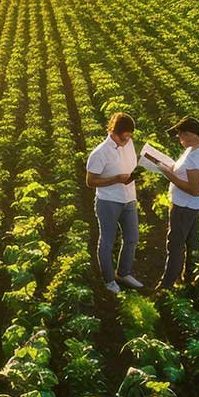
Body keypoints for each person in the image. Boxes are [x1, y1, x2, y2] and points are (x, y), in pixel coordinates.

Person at [86, 112, 143, 293]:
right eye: (122, 138)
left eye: (128, 137)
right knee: (107, 241)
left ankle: (123, 273)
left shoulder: (129, 143)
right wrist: (117, 179)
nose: (125, 141)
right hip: (109, 201)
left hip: (129, 199)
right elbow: (91, 181)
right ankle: (109, 280)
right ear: (112, 131)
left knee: (132, 238)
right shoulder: (100, 153)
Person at [156, 116, 199, 290]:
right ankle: (189, 279)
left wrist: (168, 175)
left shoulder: (197, 156)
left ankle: (167, 285)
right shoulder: (193, 149)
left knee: (175, 244)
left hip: (185, 207)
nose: (179, 140)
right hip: (188, 206)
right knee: (190, 243)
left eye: (180, 136)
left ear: (189, 135)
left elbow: (195, 189)